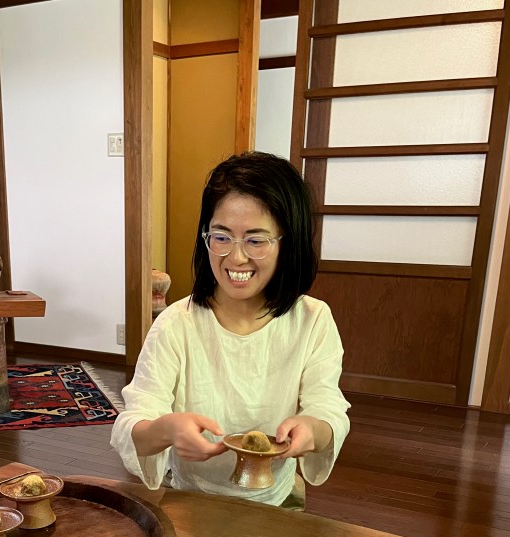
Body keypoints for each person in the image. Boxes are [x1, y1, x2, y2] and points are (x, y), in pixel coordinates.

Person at [110, 151, 350, 508]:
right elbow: (132, 425)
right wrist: (167, 428)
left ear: (288, 243)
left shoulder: (312, 320)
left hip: (276, 499)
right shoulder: (177, 323)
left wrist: (312, 430)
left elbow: (328, 409)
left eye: (256, 240)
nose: (236, 258)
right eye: (221, 237)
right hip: (191, 500)